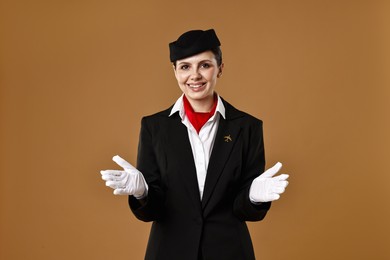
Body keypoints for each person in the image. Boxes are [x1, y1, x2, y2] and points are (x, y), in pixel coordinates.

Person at [100, 29, 289, 260]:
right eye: (185, 67)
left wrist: (253, 197)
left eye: (205, 65)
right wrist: (143, 192)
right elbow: (152, 211)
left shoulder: (247, 127)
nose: (195, 75)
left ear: (220, 68)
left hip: (229, 252)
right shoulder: (154, 127)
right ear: (175, 71)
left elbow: (244, 210)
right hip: (169, 251)